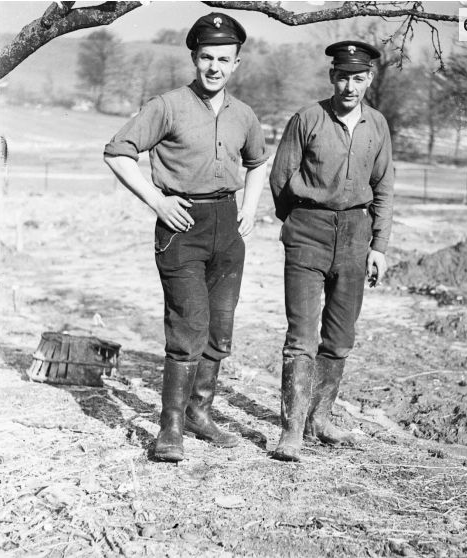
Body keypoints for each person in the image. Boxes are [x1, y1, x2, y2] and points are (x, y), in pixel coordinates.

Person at [103, 13, 268, 462]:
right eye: (206, 58)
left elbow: (257, 163)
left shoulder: (245, 115)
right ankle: (169, 427)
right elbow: (117, 152)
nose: (214, 67)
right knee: (188, 328)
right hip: (181, 226)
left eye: (224, 59)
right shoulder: (168, 105)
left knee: (219, 331)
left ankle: (199, 413)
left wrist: (250, 207)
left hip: (227, 228)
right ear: (195, 59)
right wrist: (156, 201)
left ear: (237, 64)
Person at [269, 41, 394, 462]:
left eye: (358, 78)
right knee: (301, 337)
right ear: (331, 76)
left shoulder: (377, 125)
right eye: (343, 76)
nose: (349, 86)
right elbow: (281, 177)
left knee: (340, 337)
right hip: (308, 230)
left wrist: (379, 246)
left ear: (369, 80)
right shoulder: (307, 119)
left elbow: (384, 189)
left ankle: (319, 418)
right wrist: (300, 221)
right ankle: (292, 431)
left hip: (357, 235)